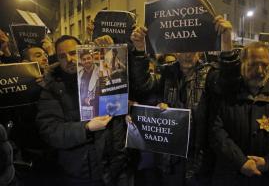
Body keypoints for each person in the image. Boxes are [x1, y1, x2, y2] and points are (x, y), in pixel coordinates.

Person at [128, 15, 233, 186]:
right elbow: (143, 84)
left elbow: (229, 85)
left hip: (200, 162)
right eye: (182, 49)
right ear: (175, 50)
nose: (187, 54)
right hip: (170, 162)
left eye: (192, 48)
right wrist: (140, 50)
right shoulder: (166, 73)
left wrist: (227, 45)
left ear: (200, 48)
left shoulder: (211, 75)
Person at [36, 35, 129, 186]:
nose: (69, 59)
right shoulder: (51, 89)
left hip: (116, 165)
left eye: (73, 53)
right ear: (57, 60)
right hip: (83, 171)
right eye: (62, 56)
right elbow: (50, 130)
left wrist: (109, 50)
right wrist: (85, 128)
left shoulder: (103, 74)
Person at [209, 42, 269, 186]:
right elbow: (216, 131)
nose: (259, 71)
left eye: (264, 65)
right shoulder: (225, 94)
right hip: (229, 177)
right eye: (252, 65)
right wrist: (241, 162)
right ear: (242, 64)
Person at [78, 51, 99, 120]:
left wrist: (91, 101)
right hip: (82, 107)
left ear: (92, 59)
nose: (86, 61)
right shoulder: (79, 73)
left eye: (88, 58)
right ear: (81, 61)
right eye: (84, 59)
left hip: (95, 106)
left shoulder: (100, 72)